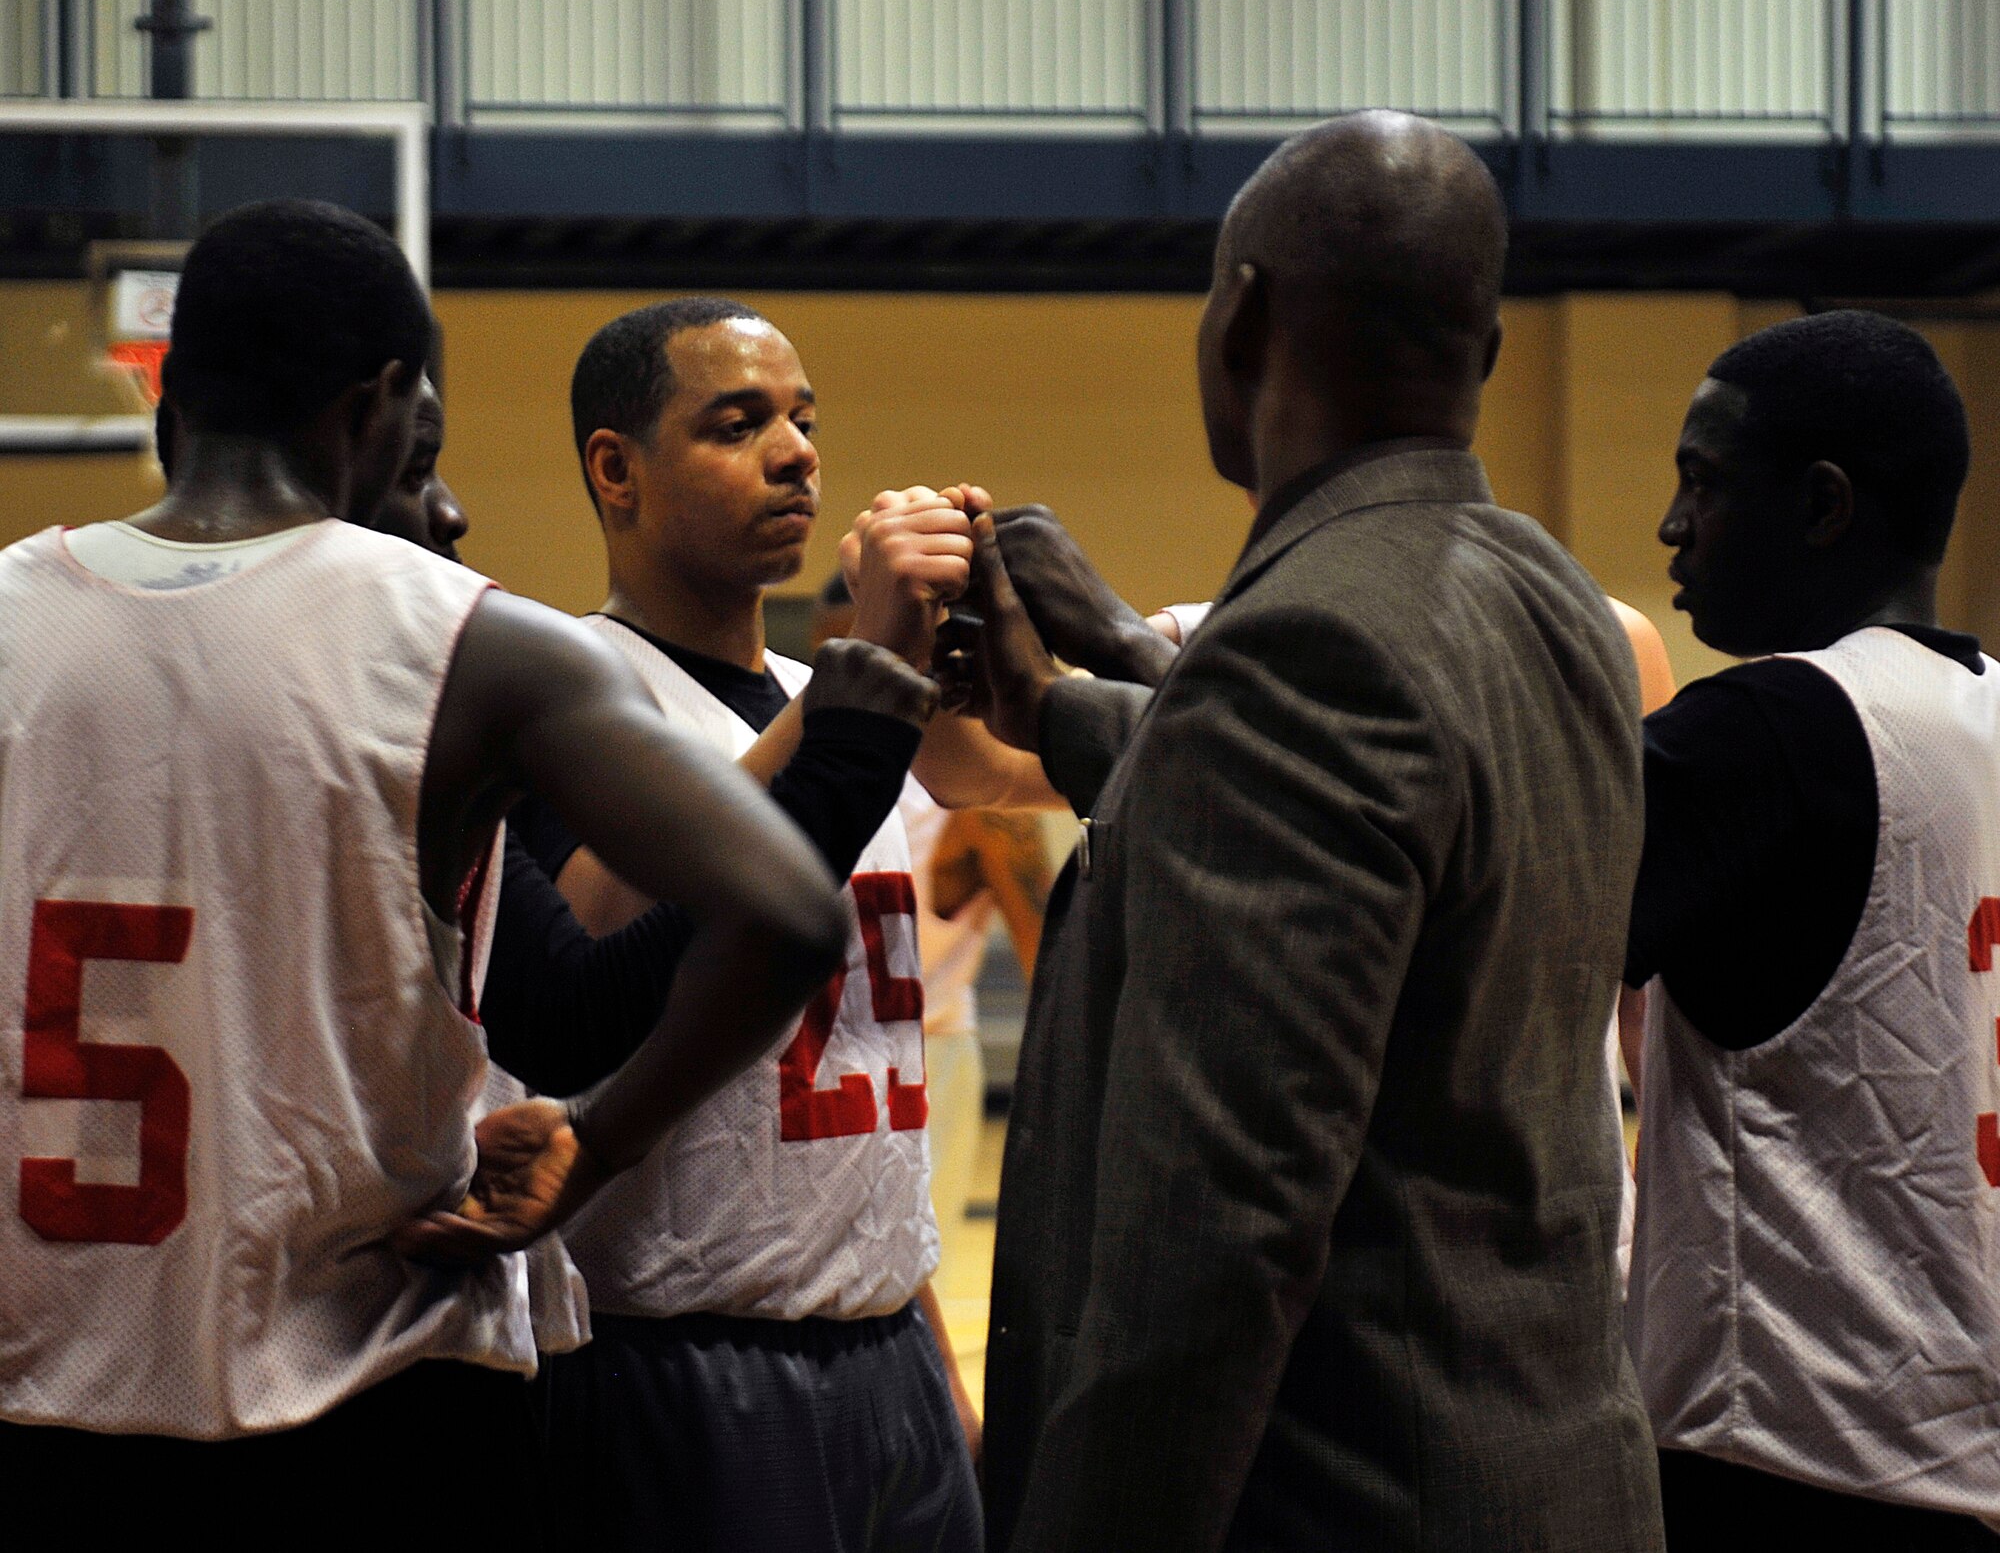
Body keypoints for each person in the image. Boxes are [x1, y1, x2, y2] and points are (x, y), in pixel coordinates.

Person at [0, 200, 848, 1540]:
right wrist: (601, 1138)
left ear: (171, 387)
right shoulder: (467, 641)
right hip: (375, 1389)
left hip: (49, 1390)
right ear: (385, 398)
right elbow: (796, 910)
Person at [963, 112, 1664, 1550]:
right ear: (1485, 354)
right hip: (1540, 1468)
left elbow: (1212, 1260)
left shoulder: (1305, 647)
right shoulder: (1556, 603)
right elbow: (1375, 801)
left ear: (1242, 315)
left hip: (1352, 1497)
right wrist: (1059, 698)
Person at [524, 297, 983, 1550]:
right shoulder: (561, 686)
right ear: (615, 468)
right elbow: (593, 940)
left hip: (886, 1338)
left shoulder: (833, 705)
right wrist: (845, 702)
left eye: (802, 419)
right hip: (681, 1357)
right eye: (738, 425)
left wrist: (930, 1356)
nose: (796, 452)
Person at [1624, 311, 2000, 1549]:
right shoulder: (1982, 710)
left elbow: (1469, 873)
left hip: (1796, 1452)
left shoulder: (1772, 729)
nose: (1671, 526)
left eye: (1703, 483)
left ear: (1822, 504)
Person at [813, 572, 1057, 1270]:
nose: (844, 675)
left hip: (928, 1052)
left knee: (913, 1283)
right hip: (807, 1049)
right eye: (829, 657)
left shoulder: (979, 793)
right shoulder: (797, 754)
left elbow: (1049, 956)